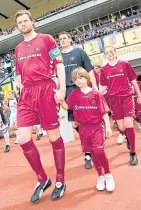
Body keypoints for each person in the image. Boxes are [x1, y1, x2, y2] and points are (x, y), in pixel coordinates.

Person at [14, 10, 66, 203]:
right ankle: (42, 178)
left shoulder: (47, 39)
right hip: (27, 93)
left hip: (46, 89)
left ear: (32, 22)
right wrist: (20, 90)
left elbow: (59, 64)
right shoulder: (18, 48)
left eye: (26, 20)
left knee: (54, 136)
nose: (23, 24)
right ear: (17, 26)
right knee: (22, 138)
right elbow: (19, 75)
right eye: (20, 22)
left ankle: (60, 180)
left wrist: (61, 90)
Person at [61, 67, 115, 192]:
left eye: (80, 78)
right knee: (92, 153)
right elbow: (67, 106)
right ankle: (100, 176)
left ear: (86, 77)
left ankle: (108, 175)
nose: (78, 81)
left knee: (99, 151)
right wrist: (60, 100)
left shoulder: (96, 93)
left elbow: (104, 112)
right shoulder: (74, 94)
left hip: (96, 127)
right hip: (83, 128)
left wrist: (107, 126)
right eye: (75, 79)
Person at [59, 31, 97, 169]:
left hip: (81, 89)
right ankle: (89, 148)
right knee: (75, 123)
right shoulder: (59, 56)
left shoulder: (79, 52)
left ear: (70, 39)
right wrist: (59, 91)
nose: (62, 40)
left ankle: (89, 150)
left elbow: (90, 70)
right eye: (60, 39)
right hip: (67, 91)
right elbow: (57, 76)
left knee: (86, 118)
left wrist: (95, 87)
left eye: (65, 38)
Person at [100, 46, 141, 165]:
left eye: (111, 52)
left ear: (116, 53)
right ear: (105, 55)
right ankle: (126, 136)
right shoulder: (104, 69)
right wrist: (95, 93)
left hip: (127, 97)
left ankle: (133, 153)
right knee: (122, 128)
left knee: (129, 123)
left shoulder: (124, 64)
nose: (109, 54)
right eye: (107, 53)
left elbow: (133, 81)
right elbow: (102, 87)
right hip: (114, 100)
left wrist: (139, 95)